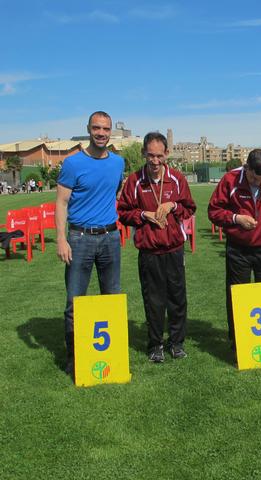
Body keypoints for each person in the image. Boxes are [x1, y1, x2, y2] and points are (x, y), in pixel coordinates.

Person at [55, 111, 125, 375]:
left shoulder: (118, 163)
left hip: (110, 238)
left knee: (112, 299)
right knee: (74, 302)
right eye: (96, 128)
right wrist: (61, 239)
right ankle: (75, 359)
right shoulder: (72, 164)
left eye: (105, 129)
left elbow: (115, 192)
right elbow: (61, 203)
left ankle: (112, 357)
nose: (101, 133)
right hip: (80, 238)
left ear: (110, 132)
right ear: (88, 129)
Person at [117, 132, 196, 363]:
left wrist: (173, 206)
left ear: (166, 154)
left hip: (174, 249)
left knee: (177, 299)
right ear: (144, 153)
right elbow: (123, 212)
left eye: (159, 156)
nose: (154, 161)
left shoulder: (177, 179)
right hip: (149, 251)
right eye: (150, 155)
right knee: (153, 301)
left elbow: (189, 208)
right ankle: (155, 345)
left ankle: (177, 343)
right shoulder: (135, 181)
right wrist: (144, 215)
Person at [208, 149, 261, 347]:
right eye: (253, 178)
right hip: (238, 249)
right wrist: (236, 219)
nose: (257, 183)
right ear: (246, 168)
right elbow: (213, 211)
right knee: (237, 295)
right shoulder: (230, 180)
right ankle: (238, 342)